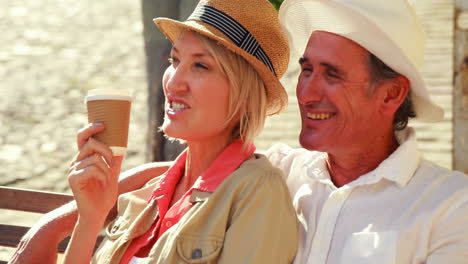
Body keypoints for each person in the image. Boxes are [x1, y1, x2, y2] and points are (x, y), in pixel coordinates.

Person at [10, 0, 468, 263]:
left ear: (391, 95)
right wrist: (70, 218)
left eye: (331, 74)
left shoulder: (450, 206)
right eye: (305, 69)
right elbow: (180, 171)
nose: (306, 92)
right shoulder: (285, 168)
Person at [12, 0, 299, 263]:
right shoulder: (151, 194)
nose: (173, 83)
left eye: (200, 65)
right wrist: (90, 217)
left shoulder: (257, 191)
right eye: (175, 61)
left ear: (246, 99)